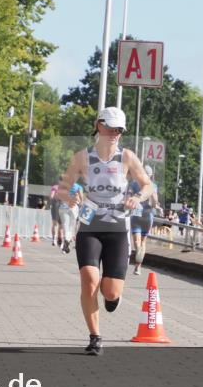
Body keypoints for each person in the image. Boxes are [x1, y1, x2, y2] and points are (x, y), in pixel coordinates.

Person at [56, 107, 153, 355]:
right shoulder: (82, 157)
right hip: (90, 225)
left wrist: (137, 197)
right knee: (90, 280)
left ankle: (112, 297)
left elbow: (147, 185)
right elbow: (63, 188)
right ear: (99, 125)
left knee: (110, 290)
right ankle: (95, 337)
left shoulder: (127, 157)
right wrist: (70, 197)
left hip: (118, 227)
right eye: (110, 128)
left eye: (119, 130)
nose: (114, 134)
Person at [129, 165, 160, 275]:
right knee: (141, 242)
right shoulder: (151, 186)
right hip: (144, 215)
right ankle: (138, 265)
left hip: (139, 215)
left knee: (138, 242)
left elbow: (129, 197)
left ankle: (138, 261)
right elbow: (155, 202)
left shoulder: (135, 184)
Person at [58, 181, 83, 254]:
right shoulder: (78, 187)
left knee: (65, 226)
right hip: (73, 207)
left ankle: (66, 245)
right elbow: (81, 199)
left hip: (63, 207)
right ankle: (66, 242)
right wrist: (80, 203)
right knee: (71, 227)